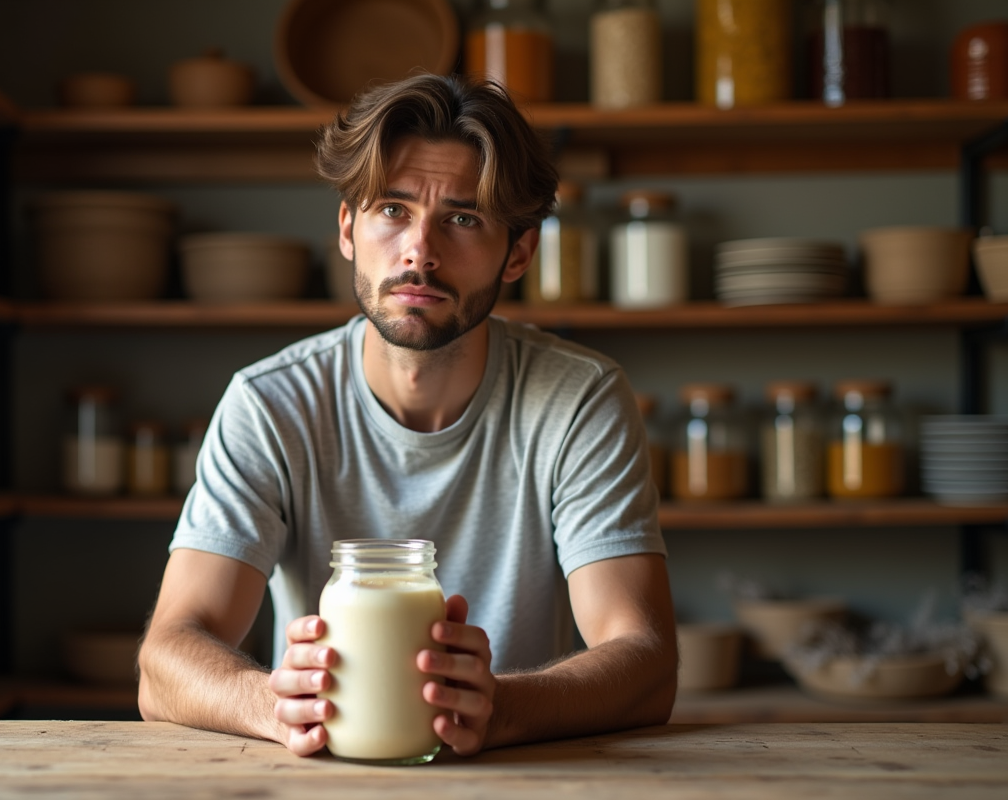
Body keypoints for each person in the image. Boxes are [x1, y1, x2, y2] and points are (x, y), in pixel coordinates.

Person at [137, 73, 677, 757]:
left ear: (519, 253)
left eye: (462, 218)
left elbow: (646, 661)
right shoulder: (270, 403)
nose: (420, 250)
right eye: (392, 210)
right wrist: (272, 703)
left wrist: (501, 708)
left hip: (520, 774)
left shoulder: (579, 400)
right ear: (347, 229)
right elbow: (166, 660)